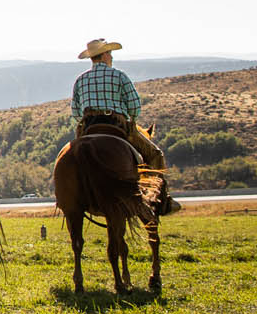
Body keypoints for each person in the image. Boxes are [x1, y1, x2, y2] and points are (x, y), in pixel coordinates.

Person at [70, 38, 177, 213]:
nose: (111, 57)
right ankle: (160, 200)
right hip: (116, 123)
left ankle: (71, 196)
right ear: (105, 55)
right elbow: (135, 106)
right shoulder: (118, 75)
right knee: (155, 154)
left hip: (88, 125)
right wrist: (131, 120)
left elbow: (75, 112)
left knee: (73, 156)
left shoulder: (81, 79)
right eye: (110, 53)